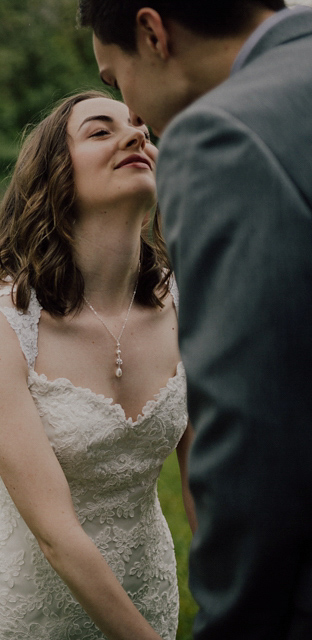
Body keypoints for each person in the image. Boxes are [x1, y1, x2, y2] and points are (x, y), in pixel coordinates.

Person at [79, 2, 312, 638]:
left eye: (113, 77)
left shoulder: (226, 137)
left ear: (153, 33)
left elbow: (254, 434)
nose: (130, 114)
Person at [0, 90, 195, 640]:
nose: (137, 135)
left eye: (139, 126)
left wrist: (235, 602)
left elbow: (205, 483)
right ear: (54, 178)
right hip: (30, 614)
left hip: (149, 591)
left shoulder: (187, 306)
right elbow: (56, 532)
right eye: (100, 131)